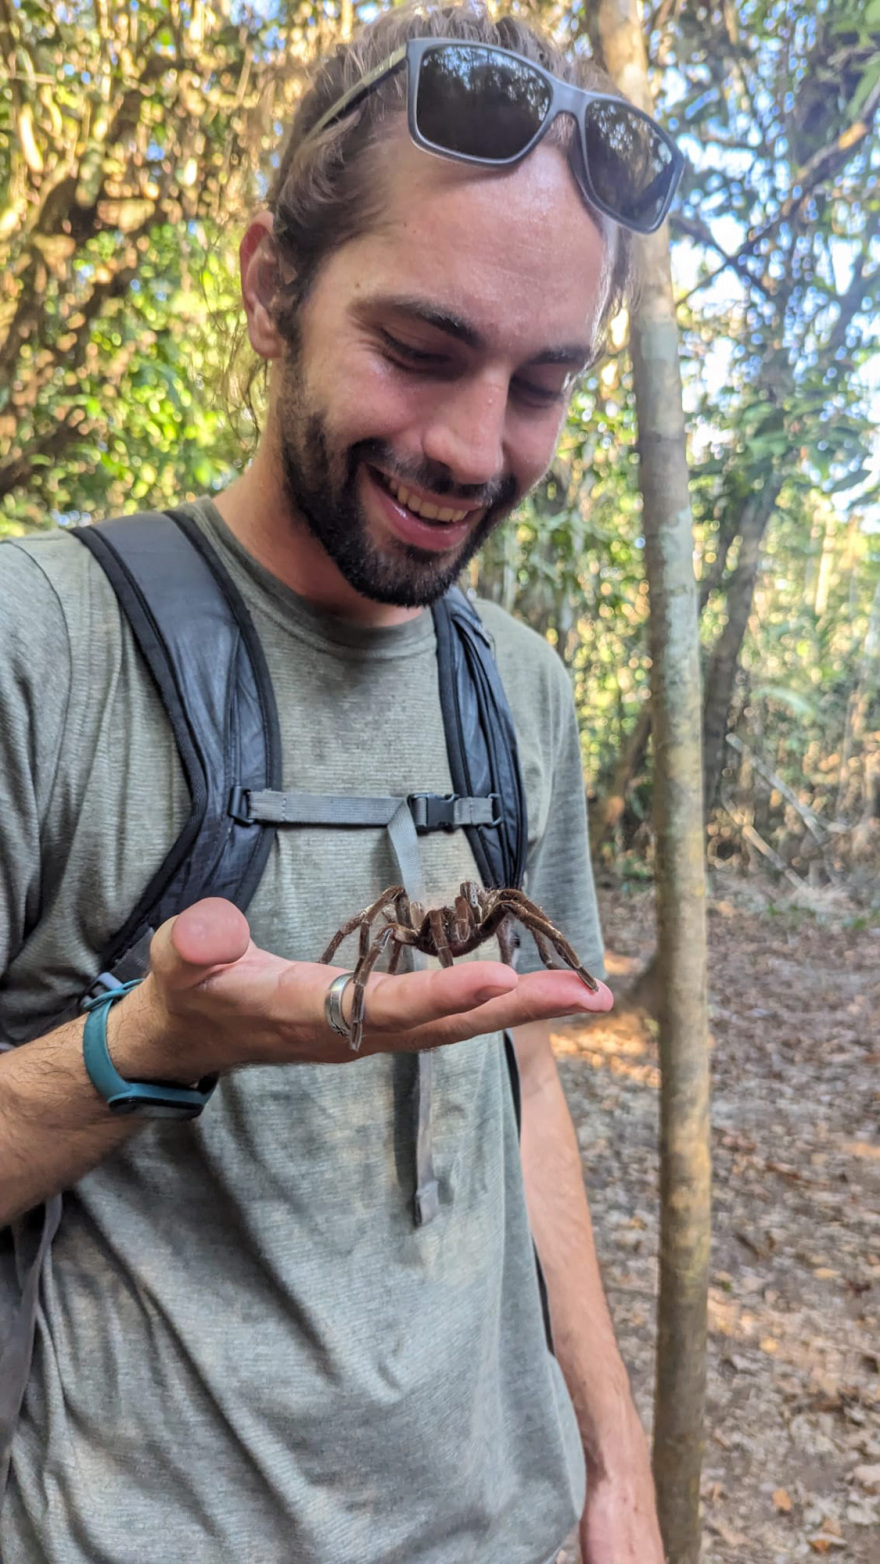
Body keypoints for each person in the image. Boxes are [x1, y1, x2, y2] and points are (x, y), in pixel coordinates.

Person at [0, 5, 681, 1560]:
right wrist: (143, 1045)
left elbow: (522, 1078)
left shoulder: (519, 690)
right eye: (420, 350)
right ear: (270, 287)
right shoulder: (42, 648)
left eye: (541, 384)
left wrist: (616, 1465)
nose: (469, 445)